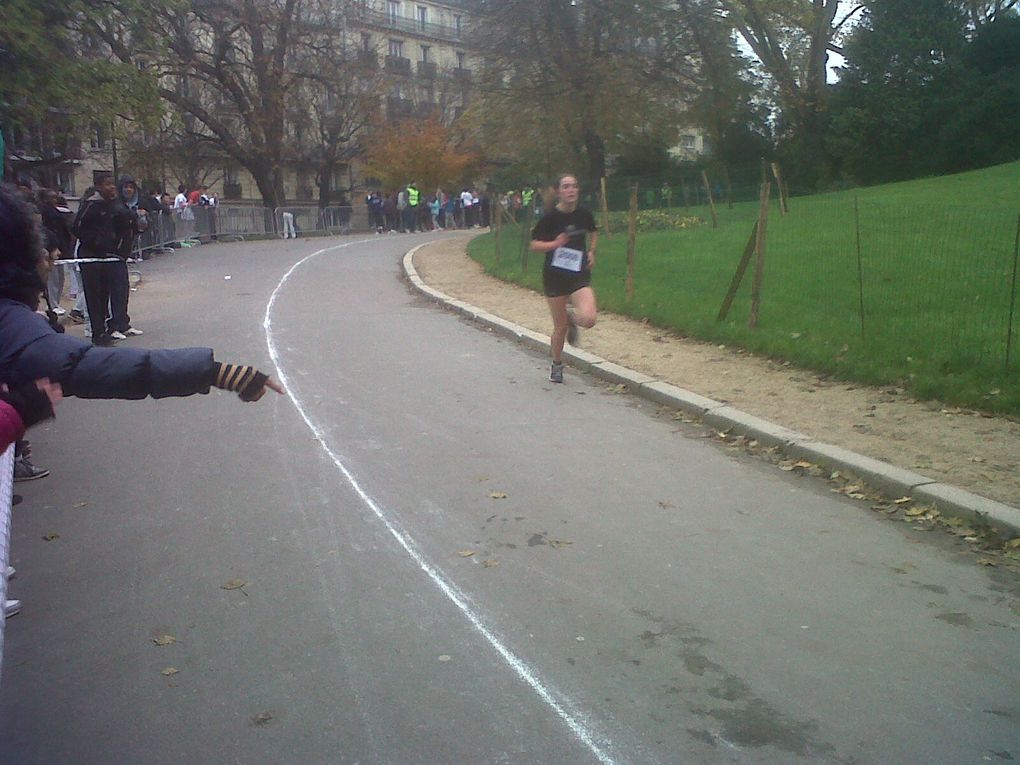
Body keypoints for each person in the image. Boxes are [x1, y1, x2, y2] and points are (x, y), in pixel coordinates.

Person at [0, 182, 282, 405]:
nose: (54, 254)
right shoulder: (10, 323)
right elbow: (90, 366)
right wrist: (215, 372)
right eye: (38, 247)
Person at [529, 173, 599, 383]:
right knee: (560, 327)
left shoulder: (584, 214)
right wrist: (554, 244)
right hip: (555, 278)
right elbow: (534, 245)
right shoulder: (549, 218)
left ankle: (573, 318)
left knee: (589, 319)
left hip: (578, 275)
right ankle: (557, 364)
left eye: (574, 186)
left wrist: (592, 251)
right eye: (566, 186)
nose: (571, 190)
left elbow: (593, 231)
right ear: (559, 192)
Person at [72, 173, 139, 345]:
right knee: (93, 295)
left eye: (112, 184)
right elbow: (76, 227)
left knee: (104, 294)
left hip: (105, 256)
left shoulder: (112, 206)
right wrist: (95, 241)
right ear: (99, 187)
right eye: (107, 185)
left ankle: (103, 330)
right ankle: (97, 333)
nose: (112, 188)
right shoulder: (92, 205)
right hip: (90, 256)